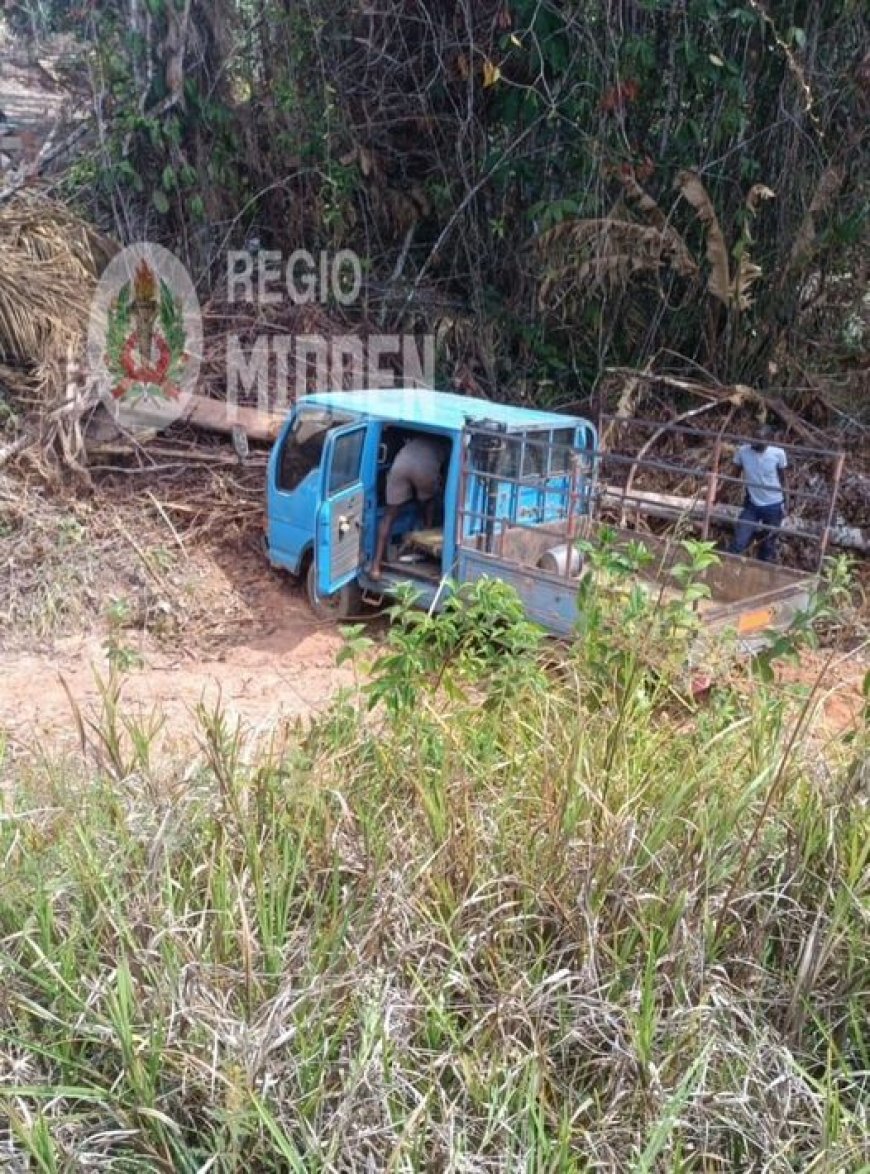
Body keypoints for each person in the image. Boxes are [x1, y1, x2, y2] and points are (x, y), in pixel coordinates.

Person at [371, 435, 446, 579]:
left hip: (400, 465)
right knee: (429, 503)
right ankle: (425, 548)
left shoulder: (415, 440)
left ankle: (376, 566)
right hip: (425, 467)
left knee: (389, 516)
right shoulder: (445, 443)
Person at [729, 426, 788, 561]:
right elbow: (733, 476)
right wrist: (717, 496)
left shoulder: (778, 454)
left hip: (774, 504)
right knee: (739, 541)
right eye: (753, 437)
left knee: (768, 546)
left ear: (768, 440)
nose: (754, 441)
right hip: (753, 504)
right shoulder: (743, 452)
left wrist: (786, 504)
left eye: (759, 439)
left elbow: (784, 480)